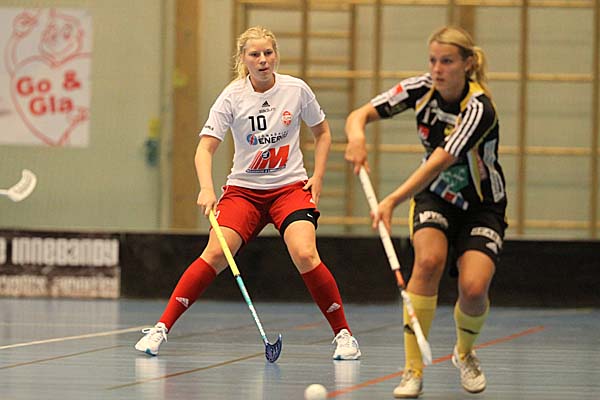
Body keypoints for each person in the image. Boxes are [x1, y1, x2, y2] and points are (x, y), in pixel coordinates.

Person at [135, 26, 360, 361]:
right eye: (255, 54)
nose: (263, 60)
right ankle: (160, 328)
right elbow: (204, 148)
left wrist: (319, 176)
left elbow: (323, 133)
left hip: (289, 189)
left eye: (268, 53)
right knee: (216, 253)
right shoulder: (232, 96)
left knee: (305, 253)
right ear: (243, 59)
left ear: (276, 55)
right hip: (244, 192)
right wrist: (207, 188)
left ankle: (344, 336)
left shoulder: (296, 90)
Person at [345, 26, 507, 398]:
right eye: (433, 60)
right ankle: (412, 370)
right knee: (428, 262)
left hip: (482, 207)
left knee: (474, 288)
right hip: (436, 198)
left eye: (447, 61)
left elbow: (440, 160)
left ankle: (464, 352)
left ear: (467, 64)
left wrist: (391, 200)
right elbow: (359, 114)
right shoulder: (419, 89)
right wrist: (357, 137)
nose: (437, 69)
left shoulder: (479, 108)